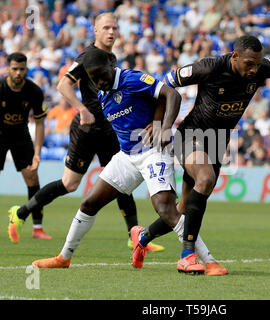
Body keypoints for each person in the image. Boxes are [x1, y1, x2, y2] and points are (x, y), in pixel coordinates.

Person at [31, 48, 227, 277]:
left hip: (153, 152)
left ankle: (208, 261)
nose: (100, 81)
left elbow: (171, 94)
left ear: (111, 66)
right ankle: (63, 258)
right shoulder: (102, 92)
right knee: (89, 203)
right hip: (126, 156)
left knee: (165, 208)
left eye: (102, 75)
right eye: (94, 79)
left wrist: (162, 127)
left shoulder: (132, 79)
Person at [7, 13, 163, 252]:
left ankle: (134, 238)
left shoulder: (110, 57)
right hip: (86, 129)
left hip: (109, 128)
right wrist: (81, 109)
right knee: (69, 184)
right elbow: (63, 84)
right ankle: (20, 213)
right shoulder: (88, 57)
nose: (111, 32)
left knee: (122, 180)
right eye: (106, 28)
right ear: (95, 31)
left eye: (114, 27)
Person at [160, 35, 270, 273]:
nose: (254, 69)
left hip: (218, 142)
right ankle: (187, 255)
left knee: (183, 207)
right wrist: (161, 124)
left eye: (257, 64)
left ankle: (143, 238)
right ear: (235, 57)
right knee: (205, 179)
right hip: (190, 135)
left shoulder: (260, 67)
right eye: (249, 64)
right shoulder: (209, 67)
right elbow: (166, 84)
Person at [1, 52, 48, 240]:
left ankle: (37, 228)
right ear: (8, 69)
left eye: (22, 69)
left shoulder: (34, 91)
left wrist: (37, 153)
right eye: (15, 69)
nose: (18, 73)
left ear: (26, 69)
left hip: (21, 135)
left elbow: (40, 123)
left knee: (32, 178)